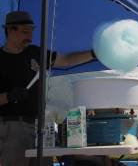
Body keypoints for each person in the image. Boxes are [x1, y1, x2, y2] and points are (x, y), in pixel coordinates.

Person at [0, 11, 97, 166]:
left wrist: (93, 53)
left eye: (32, 31)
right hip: (11, 127)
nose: (30, 37)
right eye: (25, 32)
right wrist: (9, 96)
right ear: (11, 30)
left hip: (40, 127)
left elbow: (65, 60)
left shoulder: (35, 52)